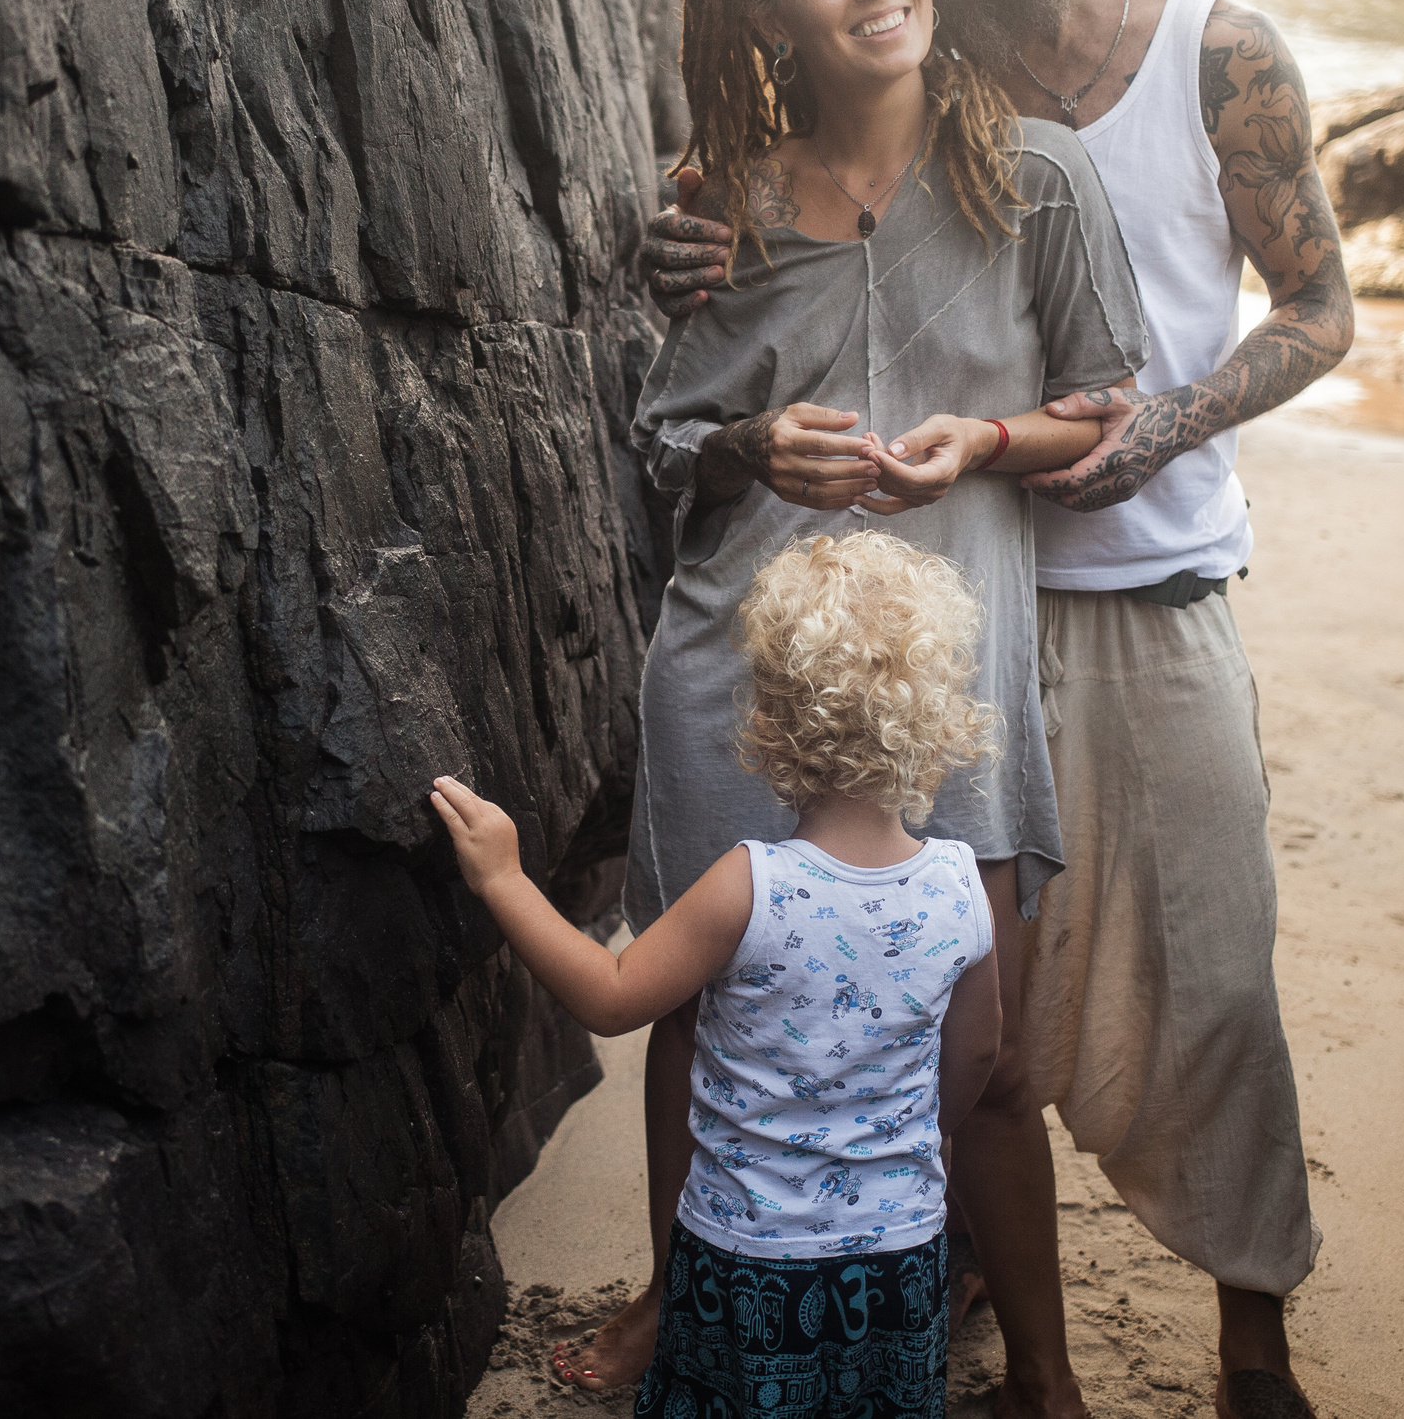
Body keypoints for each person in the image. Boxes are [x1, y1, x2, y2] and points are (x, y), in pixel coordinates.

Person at [638, 0, 1355, 1419]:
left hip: (1142, 575)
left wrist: (1140, 430)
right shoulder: (911, 34)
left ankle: (1248, 1330)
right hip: (926, 603)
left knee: (1203, 971)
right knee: (921, 1006)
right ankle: (928, 1274)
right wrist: (695, 243)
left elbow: (1314, 312)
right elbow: (781, 147)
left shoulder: (1210, 51)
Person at [565, 0, 1150, 1399]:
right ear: (770, 14)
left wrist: (989, 442)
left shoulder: (1036, 171)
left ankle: (1045, 1366)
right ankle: (680, 1301)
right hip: (740, 663)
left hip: (938, 680)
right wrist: (755, 443)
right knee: (699, 1008)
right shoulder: (725, 203)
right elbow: (663, 439)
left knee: (990, 1055)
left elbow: (1105, 402)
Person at [430, 531, 1006, 1419]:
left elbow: (613, 995)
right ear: (939, 717)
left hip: (747, 1258)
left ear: (770, 724)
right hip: (900, 1253)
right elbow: (971, 1062)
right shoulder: (961, 887)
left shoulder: (751, 883)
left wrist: (504, 878)